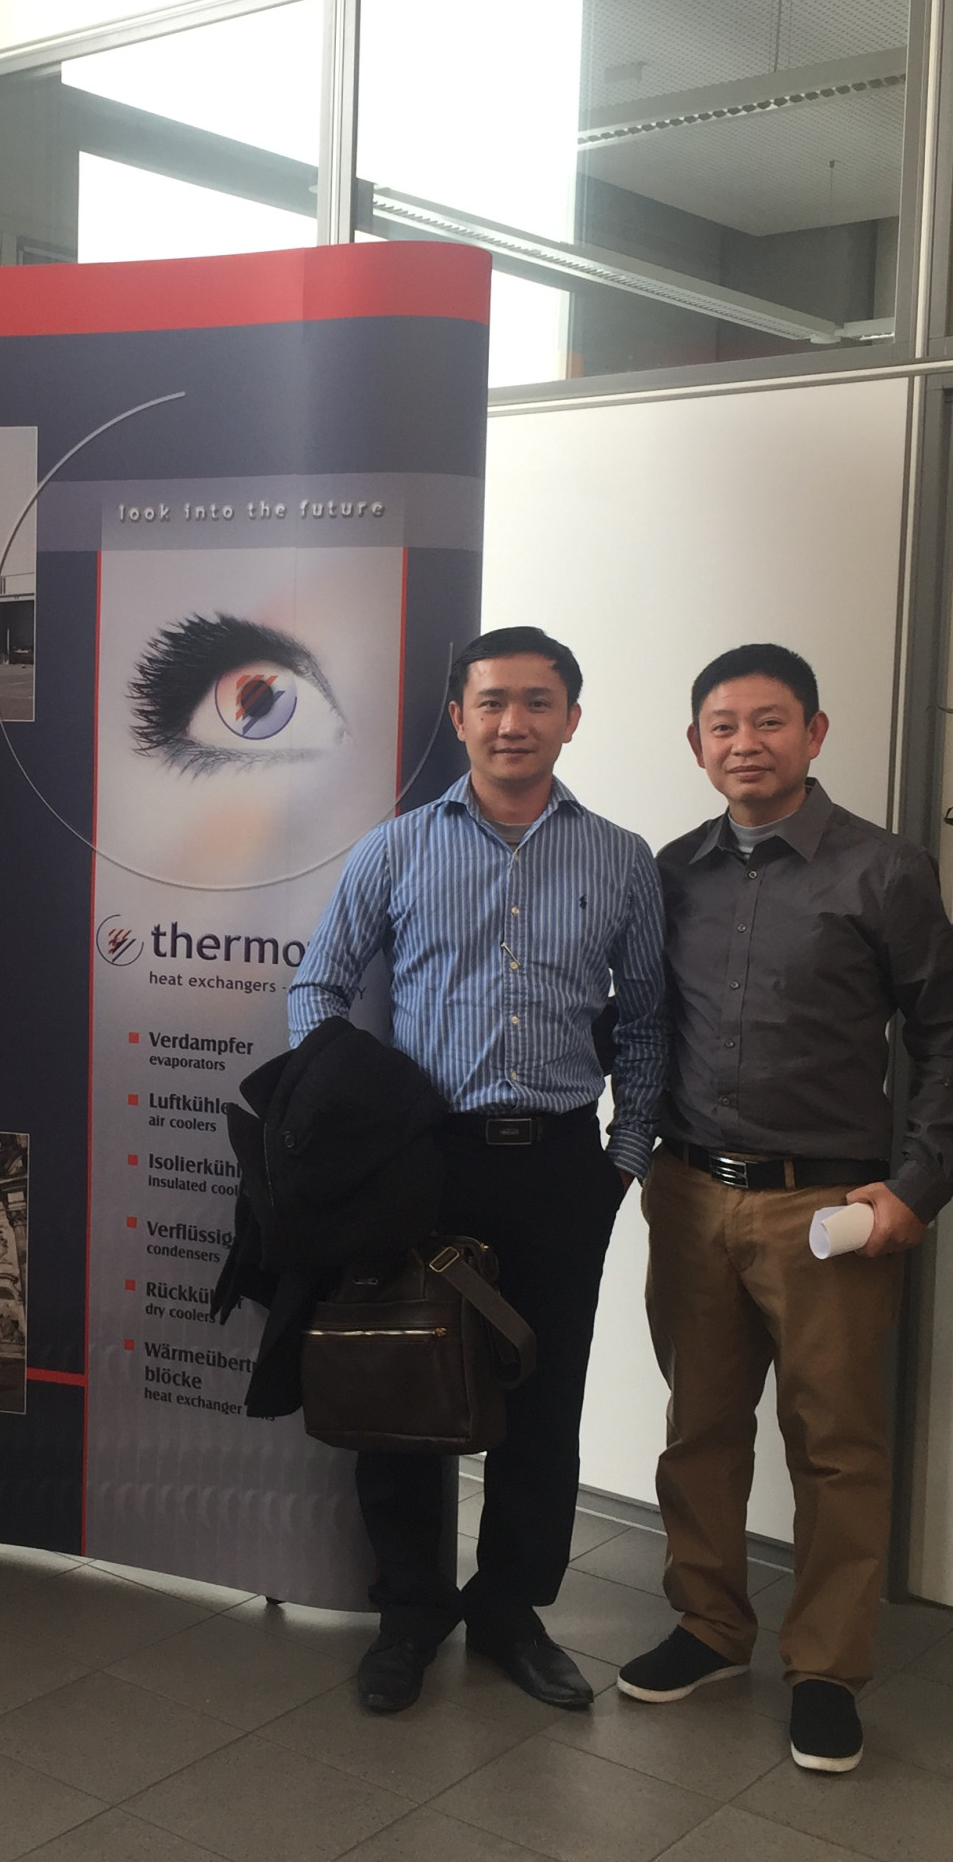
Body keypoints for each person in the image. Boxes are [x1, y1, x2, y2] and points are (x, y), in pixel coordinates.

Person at [616, 643, 953, 1774]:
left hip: (828, 1211)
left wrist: (918, 1186)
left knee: (836, 1446)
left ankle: (826, 1669)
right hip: (689, 1197)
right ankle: (709, 1626)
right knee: (699, 1427)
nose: (746, 744)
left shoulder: (884, 871)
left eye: (769, 722)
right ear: (695, 745)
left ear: (814, 733)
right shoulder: (670, 872)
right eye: (722, 727)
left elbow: (948, 1040)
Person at [291, 625, 665, 1716]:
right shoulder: (396, 849)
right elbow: (317, 988)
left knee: (542, 1402)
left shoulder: (621, 859)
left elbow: (648, 1024)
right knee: (402, 1389)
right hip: (424, 1169)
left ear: (571, 718)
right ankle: (410, 1612)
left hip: (560, 1167)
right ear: (457, 717)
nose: (513, 723)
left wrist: (622, 1161)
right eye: (492, 702)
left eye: (538, 701)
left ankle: (510, 1610)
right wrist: (351, 1122)